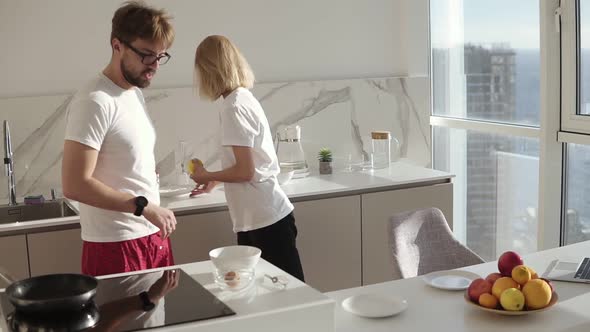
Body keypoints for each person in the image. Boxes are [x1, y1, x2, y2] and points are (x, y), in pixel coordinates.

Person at [62, 1, 177, 277]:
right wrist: (143, 206)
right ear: (117, 46)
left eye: (161, 57)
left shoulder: (132, 93)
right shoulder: (94, 101)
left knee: (164, 320)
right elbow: (74, 184)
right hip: (116, 246)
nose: (154, 66)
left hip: (152, 236)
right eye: (147, 55)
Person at [191, 35, 305, 281]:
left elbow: (246, 171)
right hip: (258, 216)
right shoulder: (240, 98)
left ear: (209, 70)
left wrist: (205, 174)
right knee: (273, 294)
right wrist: (216, 181)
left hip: (264, 218)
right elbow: (249, 162)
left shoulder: (233, 107)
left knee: (289, 294)